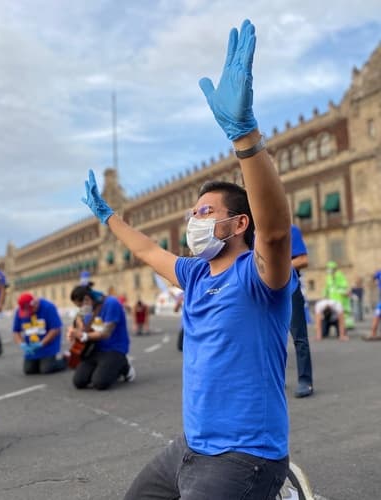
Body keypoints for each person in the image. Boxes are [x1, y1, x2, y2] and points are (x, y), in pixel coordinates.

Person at [83, 21, 294, 498]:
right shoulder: (195, 273)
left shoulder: (260, 276)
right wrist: (108, 216)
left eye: (205, 212)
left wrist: (245, 137)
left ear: (239, 224)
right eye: (192, 212)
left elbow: (277, 233)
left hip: (245, 455)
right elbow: (145, 249)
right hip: (189, 448)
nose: (193, 220)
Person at [67, 285, 134, 390]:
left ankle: (124, 366)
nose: (80, 309)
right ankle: (105, 368)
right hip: (95, 349)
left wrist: (83, 335)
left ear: (87, 299)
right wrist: (74, 330)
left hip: (114, 348)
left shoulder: (112, 303)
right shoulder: (88, 307)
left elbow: (106, 333)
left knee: (100, 383)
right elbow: (81, 322)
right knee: (79, 382)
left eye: (80, 306)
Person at [288, 224, 314, 397]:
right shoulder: (252, 234)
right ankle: (271, 380)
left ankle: (305, 381)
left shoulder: (289, 230)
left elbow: (303, 260)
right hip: (262, 291)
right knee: (266, 338)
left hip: (289, 287)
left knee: (299, 337)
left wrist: (274, 268)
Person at [13, 293, 67, 375]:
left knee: (46, 369)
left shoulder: (48, 307)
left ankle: (66, 360)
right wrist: (22, 344)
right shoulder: (20, 311)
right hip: (32, 347)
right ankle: (40, 361)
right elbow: (16, 331)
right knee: (29, 370)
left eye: (30, 310)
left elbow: (55, 329)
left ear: (35, 304)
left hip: (48, 345)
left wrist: (41, 343)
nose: (28, 314)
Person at [325, 261, 352, 329]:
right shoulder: (328, 277)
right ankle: (339, 327)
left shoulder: (339, 275)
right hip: (332, 298)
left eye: (329, 268)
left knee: (343, 313)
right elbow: (327, 288)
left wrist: (345, 292)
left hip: (341, 298)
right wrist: (325, 296)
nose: (328, 270)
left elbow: (344, 286)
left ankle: (345, 327)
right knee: (334, 314)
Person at [368, 270, 381, 340]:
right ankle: (373, 333)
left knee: (377, 316)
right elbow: (373, 277)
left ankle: (373, 333)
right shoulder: (379, 273)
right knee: (377, 316)